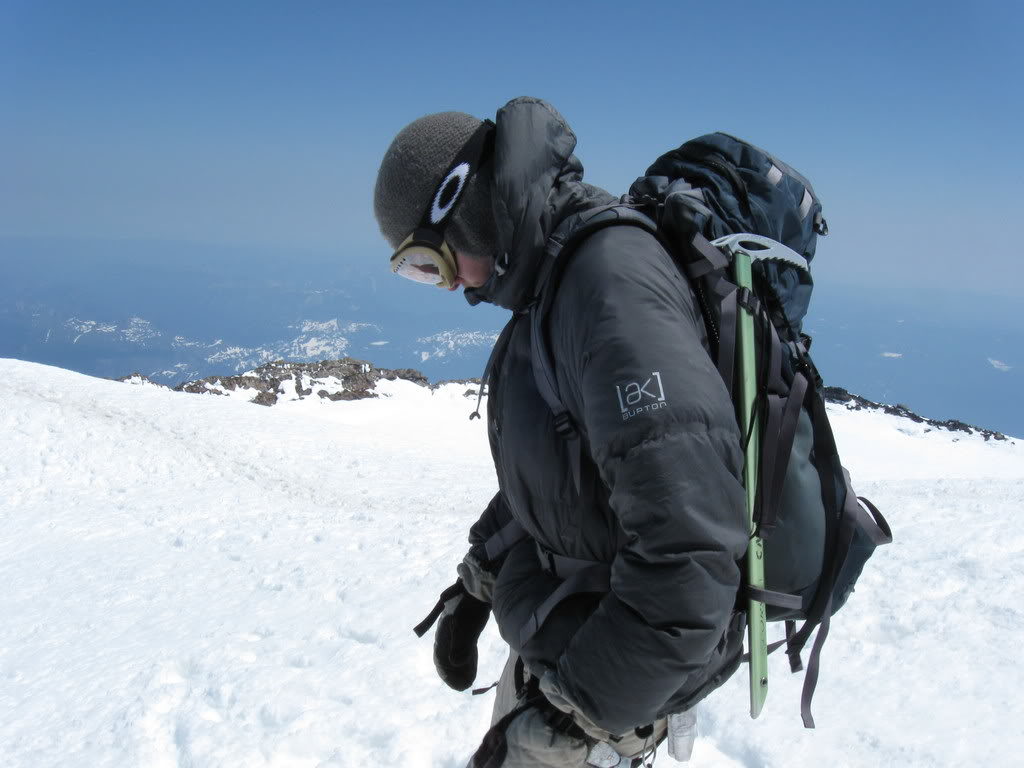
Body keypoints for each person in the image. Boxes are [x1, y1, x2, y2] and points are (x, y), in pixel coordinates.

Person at [373, 97, 749, 767]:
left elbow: (690, 552)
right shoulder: (556, 283)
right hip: (565, 653)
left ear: (462, 207)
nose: (448, 286)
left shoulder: (608, 288)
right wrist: (478, 581)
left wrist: (575, 717)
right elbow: (563, 476)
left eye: (429, 262)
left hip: (607, 689)